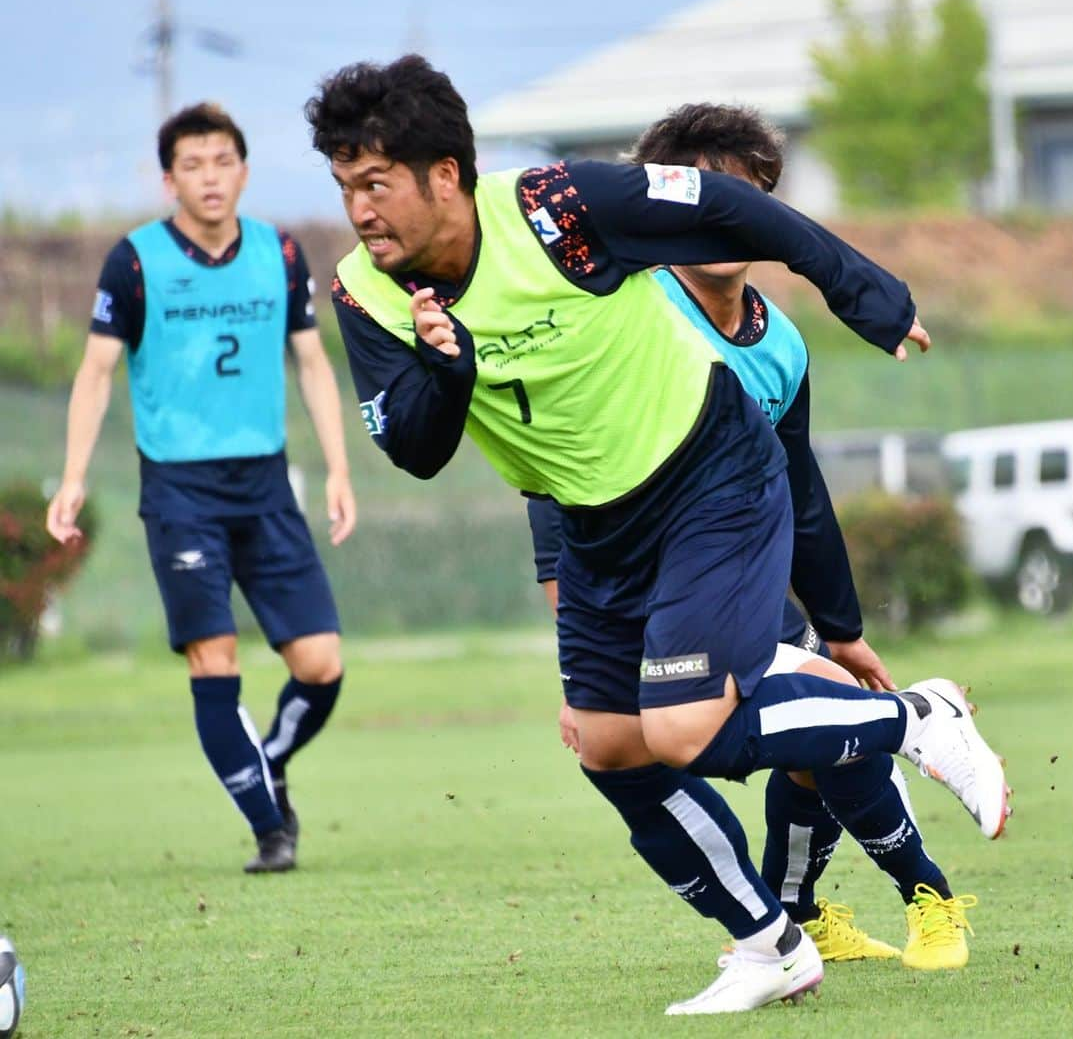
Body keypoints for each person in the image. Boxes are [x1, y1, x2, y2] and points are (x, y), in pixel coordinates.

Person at [307, 55, 1009, 1014]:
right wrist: (450, 369)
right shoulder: (363, 294)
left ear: (445, 176)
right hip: (596, 525)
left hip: (706, 477)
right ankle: (772, 945)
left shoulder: (562, 206)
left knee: (682, 729)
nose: (359, 212)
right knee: (612, 748)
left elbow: (738, 211)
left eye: (376, 185)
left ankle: (920, 720)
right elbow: (417, 451)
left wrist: (861, 289)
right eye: (345, 187)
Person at [525, 102, 979, 970]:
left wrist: (843, 627)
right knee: (701, 745)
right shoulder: (629, 317)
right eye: (700, 195)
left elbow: (801, 493)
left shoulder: (782, 345)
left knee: (822, 728)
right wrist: (579, 649)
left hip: (742, 578)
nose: (719, 217)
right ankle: (851, 886)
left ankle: (899, 906)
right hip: (641, 592)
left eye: (741, 197)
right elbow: (557, 467)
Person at [46, 103, 356, 875]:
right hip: (181, 492)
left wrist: (341, 468)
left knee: (321, 664)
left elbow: (312, 363)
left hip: (265, 484)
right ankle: (269, 829)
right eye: (193, 164)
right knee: (213, 658)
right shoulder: (137, 261)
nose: (210, 177)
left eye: (223, 162)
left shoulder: (279, 253)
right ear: (169, 179)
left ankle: (268, 757)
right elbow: (95, 372)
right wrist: (74, 477)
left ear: (244, 172)